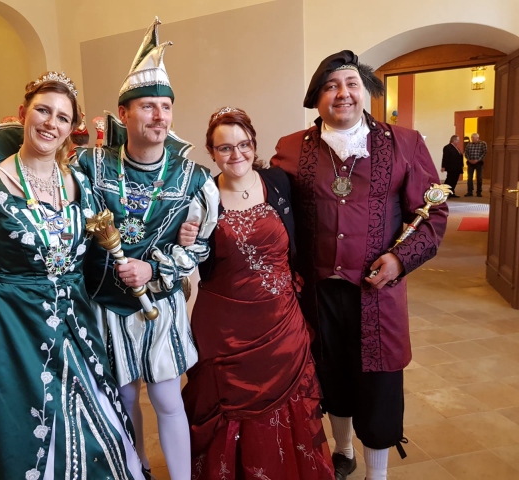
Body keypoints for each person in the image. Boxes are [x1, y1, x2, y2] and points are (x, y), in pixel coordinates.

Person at [0, 72, 144, 480]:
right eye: (43, 110)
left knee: (101, 430)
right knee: (15, 437)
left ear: (71, 128)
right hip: (10, 330)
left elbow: (105, 250)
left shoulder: (81, 183)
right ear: (23, 113)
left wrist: (163, 256)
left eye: (62, 117)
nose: (50, 123)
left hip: (76, 326)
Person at [271, 50, 448, 480]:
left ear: (365, 91)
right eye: (331, 86)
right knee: (330, 375)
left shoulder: (405, 143)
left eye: (351, 83)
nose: (343, 93)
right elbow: (271, 210)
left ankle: (377, 474)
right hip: (317, 294)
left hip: (377, 294)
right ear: (317, 98)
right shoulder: (291, 148)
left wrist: (399, 260)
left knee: (379, 385)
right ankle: (343, 450)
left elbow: (433, 215)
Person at [77, 18, 219, 480]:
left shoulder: (193, 179)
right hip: (104, 304)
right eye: (147, 107)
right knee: (121, 397)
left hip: (160, 307)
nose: (159, 116)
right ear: (124, 114)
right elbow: (58, 215)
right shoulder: (89, 165)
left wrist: (154, 271)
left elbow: (199, 249)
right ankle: (136, 470)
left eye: (165, 107)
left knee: (166, 397)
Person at [180, 107, 335, 479]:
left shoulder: (278, 183)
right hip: (225, 329)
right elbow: (186, 258)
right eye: (225, 148)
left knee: (291, 405)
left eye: (243, 144)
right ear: (211, 152)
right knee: (227, 404)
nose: (236, 154)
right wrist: (185, 242)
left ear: (253, 144)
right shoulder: (201, 196)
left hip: (281, 322)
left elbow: (311, 226)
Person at [464, 132, 486, 197]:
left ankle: (479, 192)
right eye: (471, 138)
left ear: (477, 138)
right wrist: (469, 159)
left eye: (473, 138)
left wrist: (478, 160)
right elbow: (466, 153)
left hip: (479, 163)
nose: (472, 139)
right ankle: (469, 192)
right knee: (469, 178)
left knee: (479, 178)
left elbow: (484, 153)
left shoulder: (483, 144)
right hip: (470, 163)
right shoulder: (469, 144)